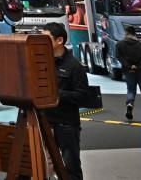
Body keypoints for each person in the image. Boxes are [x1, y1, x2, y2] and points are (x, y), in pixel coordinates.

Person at [42, 21, 89, 180]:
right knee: (42, 166)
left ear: (59, 40)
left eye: (46, 39)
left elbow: (82, 96)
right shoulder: (42, 63)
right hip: (45, 122)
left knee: (71, 167)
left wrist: (57, 94)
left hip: (66, 125)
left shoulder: (75, 66)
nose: (42, 43)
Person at [115, 25, 141, 120]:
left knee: (131, 90)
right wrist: (138, 66)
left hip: (129, 71)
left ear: (126, 32)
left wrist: (129, 66)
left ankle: (130, 105)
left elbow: (119, 56)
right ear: (135, 33)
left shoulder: (120, 44)